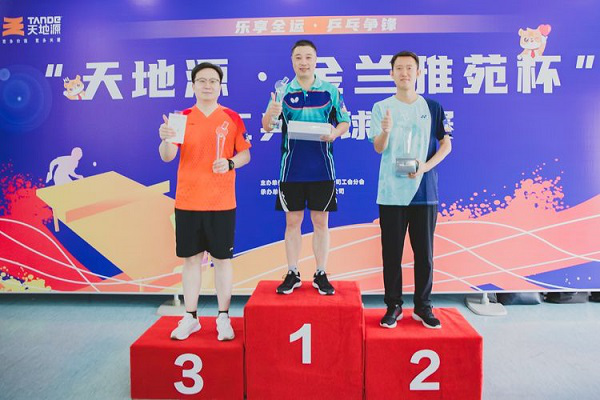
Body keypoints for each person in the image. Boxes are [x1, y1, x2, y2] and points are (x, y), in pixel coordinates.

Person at [159, 62, 251, 340]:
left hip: (222, 202)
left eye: (213, 81)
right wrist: (165, 139)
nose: (207, 85)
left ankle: (223, 317)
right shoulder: (181, 118)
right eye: (202, 81)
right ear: (193, 85)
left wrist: (231, 163)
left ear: (220, 86)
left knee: (222, 260)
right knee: (191, 260)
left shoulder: (231, 117)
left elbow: (245, 155)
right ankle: (190, 317)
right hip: (188, 201)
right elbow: (167, 156)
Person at [368, 51, 453, 329]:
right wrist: (385, 131)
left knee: (424, 254)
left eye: (409, 68)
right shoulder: (381, 107)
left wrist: (425, 166)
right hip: (391, 193)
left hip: (424, 192)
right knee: (391, 254)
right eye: (399, 68)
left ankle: (423, 306)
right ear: (391, 74)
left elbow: (446, 144)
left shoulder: (433, 107)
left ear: (418, 73)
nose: (404, 73)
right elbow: (378, 148)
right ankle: (393, 306)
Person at [261, 39, 350, 295]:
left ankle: (321, 272)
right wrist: (272, 112)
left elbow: (345, 121)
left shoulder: (330, 91)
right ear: (292, 61)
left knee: (321, 222)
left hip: (323, 169)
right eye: (298, 57)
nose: (303, 62)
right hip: (291, 170)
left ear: (315, 60)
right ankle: (292, 272)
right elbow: (267, 125)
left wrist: (334, 133)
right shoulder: (282, 92)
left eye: (308, 57)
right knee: (293, 222)